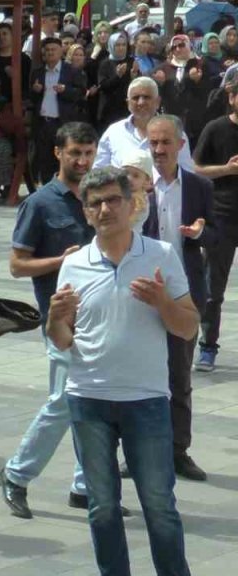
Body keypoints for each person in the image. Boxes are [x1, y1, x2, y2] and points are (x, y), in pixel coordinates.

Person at [48, 166, 195, 576]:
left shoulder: (161, 255)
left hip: (145, 400)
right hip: (88, 399)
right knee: (103, 508)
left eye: (114, 199)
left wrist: (163, 303)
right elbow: (61, 338)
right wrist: (54, 318)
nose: (106, 208)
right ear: (86, 212)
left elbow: (188, 326)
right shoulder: (75, 264)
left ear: (132, 205)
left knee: (159, 505)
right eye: (97, 203)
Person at [0, 122, 102, 520]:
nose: (82, 160)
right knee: (63, 401)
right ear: (58, 152)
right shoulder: (40, 203)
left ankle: (83, 485)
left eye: (89, 153)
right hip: (59, 321)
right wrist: (62, 261)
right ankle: (15, 473)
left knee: (89, 402)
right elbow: (16, 265)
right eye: (75, 152)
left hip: (99, 319)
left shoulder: (98, 198)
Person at [143, 115, 213, 481]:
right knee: (142, 376)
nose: (158, 150)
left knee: (179, 376)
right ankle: (139, 451)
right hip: (142, 293)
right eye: (152, 143)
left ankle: (177, 450)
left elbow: (213, 232)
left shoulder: (199, 187)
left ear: (181, 145)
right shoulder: (136, 186)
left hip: (184, 291)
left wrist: (200, 232)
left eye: (165, 142)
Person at [194, 80, 238, 372]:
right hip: (223, 215)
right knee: (213, 288)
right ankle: (207, 346)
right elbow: (196, 168)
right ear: (232, 97)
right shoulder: (216, 128)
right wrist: (227, 169)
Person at [95, 77, 195, 171]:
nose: (141, 102)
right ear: (128, 103)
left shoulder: (175, 132)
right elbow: (98, 171)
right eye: (135, 98)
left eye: (146, 97)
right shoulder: (113, 132)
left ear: (158, 102)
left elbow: (186, 172)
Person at [29, 37, 89, 186]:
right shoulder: (38, 72)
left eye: (53, 49)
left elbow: (81, 93)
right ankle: (48, 189)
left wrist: (65, 90)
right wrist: (35, 90)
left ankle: (65, 188)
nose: (50, 53)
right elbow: (30, 97)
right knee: (44, 160)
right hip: (43, 122)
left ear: (61, 51)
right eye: (47, 50)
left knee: (63, 158)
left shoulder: (71, 71)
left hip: (62, 123)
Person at [96, 33, 134, 130]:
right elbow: (103, 86)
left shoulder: (131, 61)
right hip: (109, 109)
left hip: (126, 108)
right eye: (117, 45)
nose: (121, 48)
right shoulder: (105, 63)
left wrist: (135, 76)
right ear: (112, 46)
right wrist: (118, 76)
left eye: (123, 45)